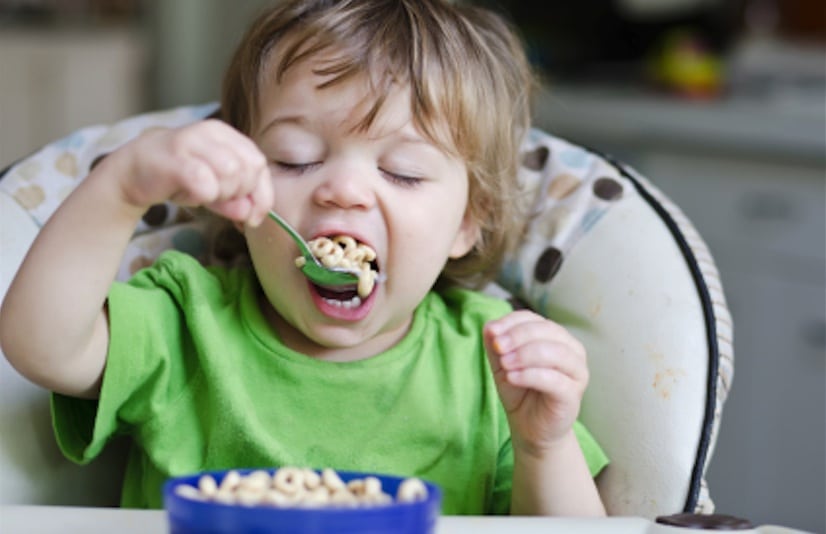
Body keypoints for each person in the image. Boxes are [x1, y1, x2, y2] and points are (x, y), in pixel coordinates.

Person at [0, 0, 608, 515]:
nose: (343, 190)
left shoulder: (492, 364)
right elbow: (39, 344)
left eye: (403, 171)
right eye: (293, 158)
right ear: (240, 193)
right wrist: (124, 186)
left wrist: (542, 448)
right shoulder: (188, 321)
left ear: (467, 222)